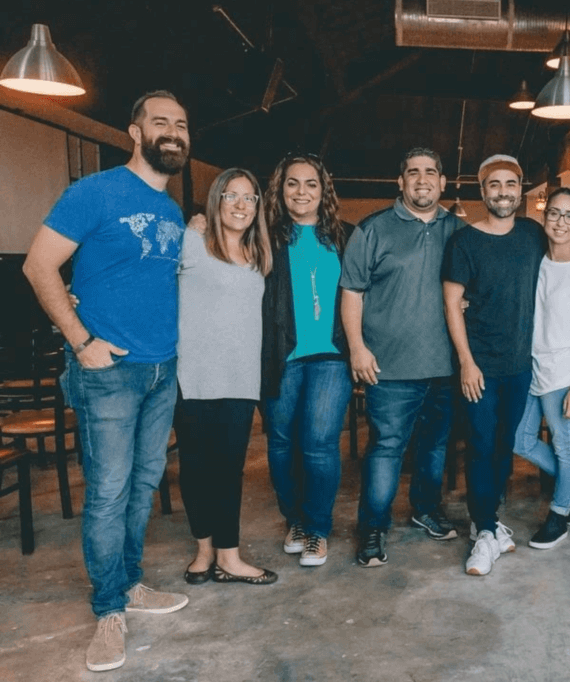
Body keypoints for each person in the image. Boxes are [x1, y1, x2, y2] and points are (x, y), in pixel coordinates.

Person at [22, 90, 191, 672]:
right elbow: (38, 265)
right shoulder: (93, 192)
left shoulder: (170, 211)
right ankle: (107, 609)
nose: (173, 132)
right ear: (135, 132)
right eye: (160, 122)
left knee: (143, 485)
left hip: (161, 370)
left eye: (181, 124)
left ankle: (131, 583)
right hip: (109, 373)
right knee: (109, 492)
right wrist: (81, 341)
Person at [341, 148, 463, 567]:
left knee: (434, 448)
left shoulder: (459, 230)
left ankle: (425, 509)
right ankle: (372, 529)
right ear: (401, 182)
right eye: (413, 172)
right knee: (387, 449)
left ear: (443, 182)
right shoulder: (373, 229)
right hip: (389, 368)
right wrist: (357, 347)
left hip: (445, 367)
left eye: (431, 172)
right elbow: (352, 290)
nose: (422, 179)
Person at [442, 154, 546, 576]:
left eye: (510, 184)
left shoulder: (533, 234)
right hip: (480, 364)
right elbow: (452, 304)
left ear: (520, 189)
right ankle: (485, 532)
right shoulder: (464, 242)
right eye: (494, 185)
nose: (503, 192)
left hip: (521, 365)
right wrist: (467, 362)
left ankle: (487, 520)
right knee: (481, 446)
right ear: (482, 191)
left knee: (504, 447)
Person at [176, 168, 277, 586]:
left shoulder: (259, 256)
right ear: (215, 201)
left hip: (240, 379)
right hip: (193, 375)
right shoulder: (192, 241)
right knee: (195, 466)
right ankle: (204, 551)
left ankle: (230, 556)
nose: (240, 205)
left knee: (229, 468)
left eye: (249, 198)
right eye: (231, 196)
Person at [262, 153, 352, 569]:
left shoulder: (344, 236)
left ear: (323, 190)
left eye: (311, 184)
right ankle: (294, 520)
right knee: (280, 444)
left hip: (331, 356)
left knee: (318, 444)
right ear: (280, 190)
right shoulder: (264, 237)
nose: (302, 192)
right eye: (293, 183)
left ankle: (316, 528)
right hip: (281, 355)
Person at [512, 187, 570, 549]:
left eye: (569, 215)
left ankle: (560, 515)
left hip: (562, 370)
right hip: (531, 366)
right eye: (553, 213)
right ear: (544, 217)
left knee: (566, 447)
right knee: (520, 439)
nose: (560, 221)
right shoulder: (535, 262)